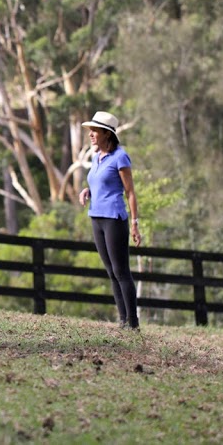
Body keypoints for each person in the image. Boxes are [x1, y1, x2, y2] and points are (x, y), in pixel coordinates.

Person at [77, 111, 142, 329]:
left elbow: (129, 192)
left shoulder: (120, 157)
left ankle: (133, 323)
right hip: (96, 217)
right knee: (111, 272)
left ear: (107, 133)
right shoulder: (97, 158)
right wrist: (88, 191)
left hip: (114, 218)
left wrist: (134, 223)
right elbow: (102, 184)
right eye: (90, 131)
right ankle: (122, 320)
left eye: (94, 131)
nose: (91, 135)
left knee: (121, 271)